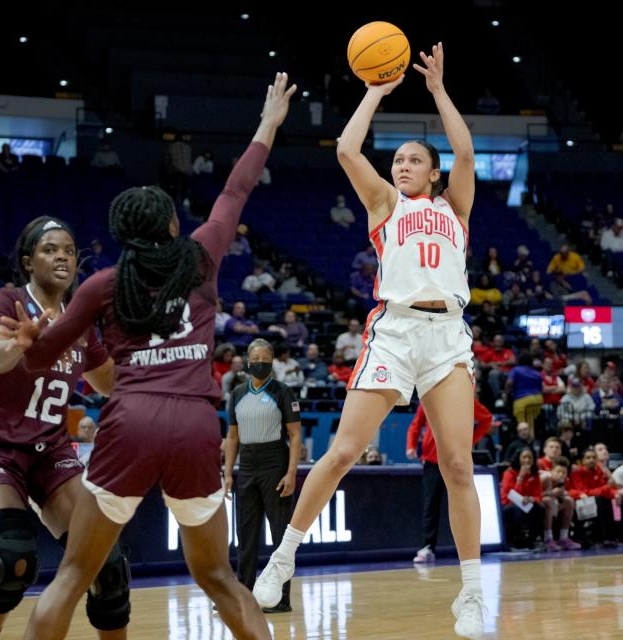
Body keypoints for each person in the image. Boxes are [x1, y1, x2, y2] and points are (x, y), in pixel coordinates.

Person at [4, 72, 295, 640]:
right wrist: (268, 123)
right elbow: (234, 193)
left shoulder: (103, 284)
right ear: (168, 223)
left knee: (70, 577)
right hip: (193, 422)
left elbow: (40, 362)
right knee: (216, 575)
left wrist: (28, 344)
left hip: (130, 420)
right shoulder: (201, 258)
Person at [252, 45, 486, 637]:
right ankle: (283, 558)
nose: (403, 165)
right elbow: (347, 149)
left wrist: (437, 91)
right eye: (399, 159)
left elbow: (464, 150)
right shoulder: (384, 203)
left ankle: (472, 592)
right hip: (395, 331)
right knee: (342, 453)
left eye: (414, 160)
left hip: (447, 336)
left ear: (432, 173)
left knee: (458, 463)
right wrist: (376, 89)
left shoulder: (455, 206)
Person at [0, 215, 127, 640]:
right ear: (29, 261)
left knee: (106, 564)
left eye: (68, 249)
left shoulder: (81, 319)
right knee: (13, 561)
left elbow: (109, 383)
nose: (62, 256)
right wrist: (20, 343)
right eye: (50, 249)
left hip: (50, 452)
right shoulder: (5, 301)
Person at [223, 338, 303, 613]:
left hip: (275, 465)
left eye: (265, 358)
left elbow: (295, 436)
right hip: (246, 466)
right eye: (255, 358)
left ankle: (281, 598)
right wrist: (228, 473)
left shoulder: (283, 392)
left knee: (280, 534)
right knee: (245, 534)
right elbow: (232, 437)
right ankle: (244, 594)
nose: (260, 363)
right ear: (247, 360)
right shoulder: (236, 394)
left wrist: (291, 473)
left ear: (271, 362)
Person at [406, 398, 493, 563]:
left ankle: (471, 548)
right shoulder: (427, 397)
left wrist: (469, 441)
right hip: (432, 460)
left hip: (457, 460)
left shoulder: (464, 398)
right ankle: (428, 547)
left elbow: (486, 420)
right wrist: (410, 445)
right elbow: (415, 425)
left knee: (463, 503)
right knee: (431, 505)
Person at [499, 447, 544, 549]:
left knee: (539, 507)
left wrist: (532, 499)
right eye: (524, 457)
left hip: (527, 503)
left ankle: (532, 540)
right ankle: (515, 541)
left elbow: (538, 494)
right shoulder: (509, 473)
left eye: (530, 457)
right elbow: (507, 495)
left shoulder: (534, 474)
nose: (527, 460)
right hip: (510, 504)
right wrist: (520, 477)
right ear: (519, 458)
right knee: (517, 509)